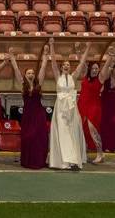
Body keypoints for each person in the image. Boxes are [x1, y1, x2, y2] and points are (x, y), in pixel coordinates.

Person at [48, 40, 90, 170]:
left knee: (73, 133)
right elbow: (53, 62)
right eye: (64, 65)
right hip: (61, 109)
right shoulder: (57, 76)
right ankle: (63, 162)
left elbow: (82, 63)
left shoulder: (73, 76)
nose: (66, 66)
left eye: (68, 64)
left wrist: (87, 48)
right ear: (61, 67)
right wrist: (52, 45)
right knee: (62, 133)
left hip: (72, 109)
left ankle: (73, 160)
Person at [8, 49, 49, 169]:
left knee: (39, 136)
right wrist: (12, 57)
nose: (31, 75)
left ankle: (39, 161)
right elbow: (16, 70)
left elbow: (43, 68)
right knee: (28, 137)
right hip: (27, 115)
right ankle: (28, 160)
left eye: (32, 73)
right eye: (28, 73)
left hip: (38, 114)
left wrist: (45, 56)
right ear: (25, 75)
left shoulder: (38, 84)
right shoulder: (23, 85)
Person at [78, 55, 112, 163]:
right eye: (93, 68)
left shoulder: (100, 78)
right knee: (83, 130)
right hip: (82, 105)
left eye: (97, 69)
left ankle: (100, 153)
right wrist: (79, 51)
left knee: (93, 130)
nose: (95, 70)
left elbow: (106, 67)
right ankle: (84, 152)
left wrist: (110, 56)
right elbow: (82, 62)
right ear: (89, 69)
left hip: (94, 107)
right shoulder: (84, 75)